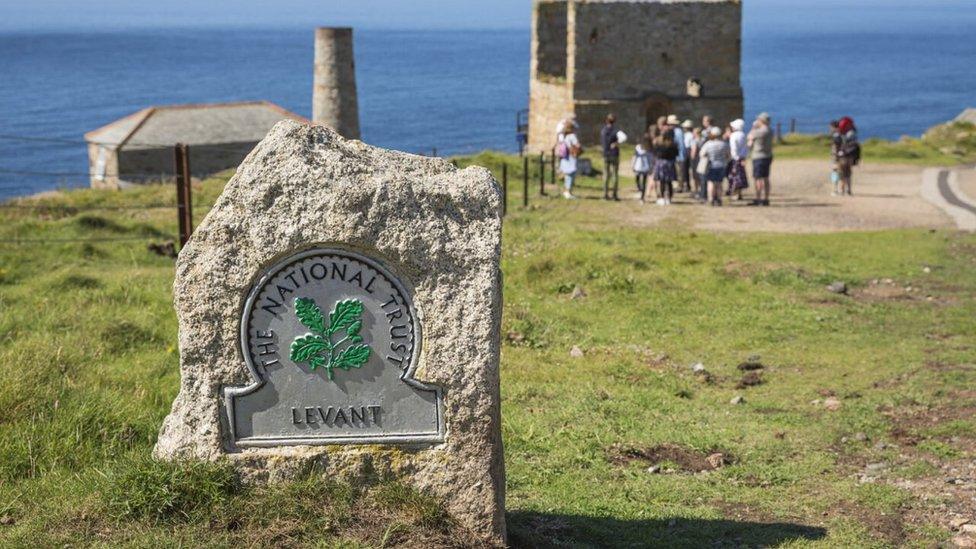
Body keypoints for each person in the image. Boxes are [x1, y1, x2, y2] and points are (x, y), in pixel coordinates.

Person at [699, 126, 731, 206]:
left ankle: (711, 199)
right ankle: (719, 199)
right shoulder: (724, 144)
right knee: (719, 183)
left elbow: (701, 154)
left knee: (711, 183)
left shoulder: (708, 144)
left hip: (711, 165)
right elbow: (729, 156)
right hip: (721, 166)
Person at [747, 112, 774, 206]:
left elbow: (749, 138)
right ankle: (766, 198)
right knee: (766, 178)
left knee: (758, 178)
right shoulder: (770, 130)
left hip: (758, 156)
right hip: (768, 155)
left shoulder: (759, 131)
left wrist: (754, 127)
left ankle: (758, 198)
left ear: (761, 121)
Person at [652, 128, 679, 206]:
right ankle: (669, 198)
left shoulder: (659, 144)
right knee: (669, 182)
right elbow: (676, 154)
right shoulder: (673, 144)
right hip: (670, 163)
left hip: (661, 163)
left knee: (662, 182)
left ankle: (663, 198)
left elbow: (656, 153)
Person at [836, 116, 860, 196]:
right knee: (848, 173)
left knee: (842, 173)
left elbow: (839, 146)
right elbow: (855, 146)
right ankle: (848, 190)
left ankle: (842, 190)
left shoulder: (843, 135)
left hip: (843, 156)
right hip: (850, 156)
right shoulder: (852, 134)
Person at [557, 125, 581, 199]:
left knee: (567, 175)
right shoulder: (572, 136)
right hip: (571, 157)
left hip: (565, 157)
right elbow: (578, 145)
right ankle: (568, 192)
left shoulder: (564, 136)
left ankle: (566, 191)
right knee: (571, 175)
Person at [727, 119, 749, 200]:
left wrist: (735, 157)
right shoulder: (743, 134)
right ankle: (739, 194)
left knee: (734, 177)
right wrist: (743, 157)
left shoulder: (734, 135)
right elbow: (746, 148)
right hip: (742, 158)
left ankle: (734, 194)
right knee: (740, 177)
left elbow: (733, 148)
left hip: (735, 158)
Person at [600, 114, 620, 200]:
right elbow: (622, 139)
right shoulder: (616, 131)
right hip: (614, 154)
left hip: (606, 154)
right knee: (614, 174)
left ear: (606, 121)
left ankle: (605, 194)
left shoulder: (603, 131)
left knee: (606, 174)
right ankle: (614, 195)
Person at [668, 115, 688, 193]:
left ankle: (680, 186)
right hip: (674, 155)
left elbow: (681, 145)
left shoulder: (678, 132)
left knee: (680, 172)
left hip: (679, 155)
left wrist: (681, 156)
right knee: (676, 172)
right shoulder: (673, 131)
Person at [680, 120, 694, 192]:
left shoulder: (690, 135)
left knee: (685, 171)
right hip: (685, 151)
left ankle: (686, 185)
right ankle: (685, 185)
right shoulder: (686, 134)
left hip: (687, 152)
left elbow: (690, 145)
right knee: (684, 171)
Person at [828, 120, 841, 195]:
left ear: (833, 127)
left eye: (830, 127)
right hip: (841, 155)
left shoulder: (836, 135)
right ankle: (843, 189)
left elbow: (836, 147)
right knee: (841, 172)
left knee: (835, 172)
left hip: (836, 156)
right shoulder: (842, 134)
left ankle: (835, 190)